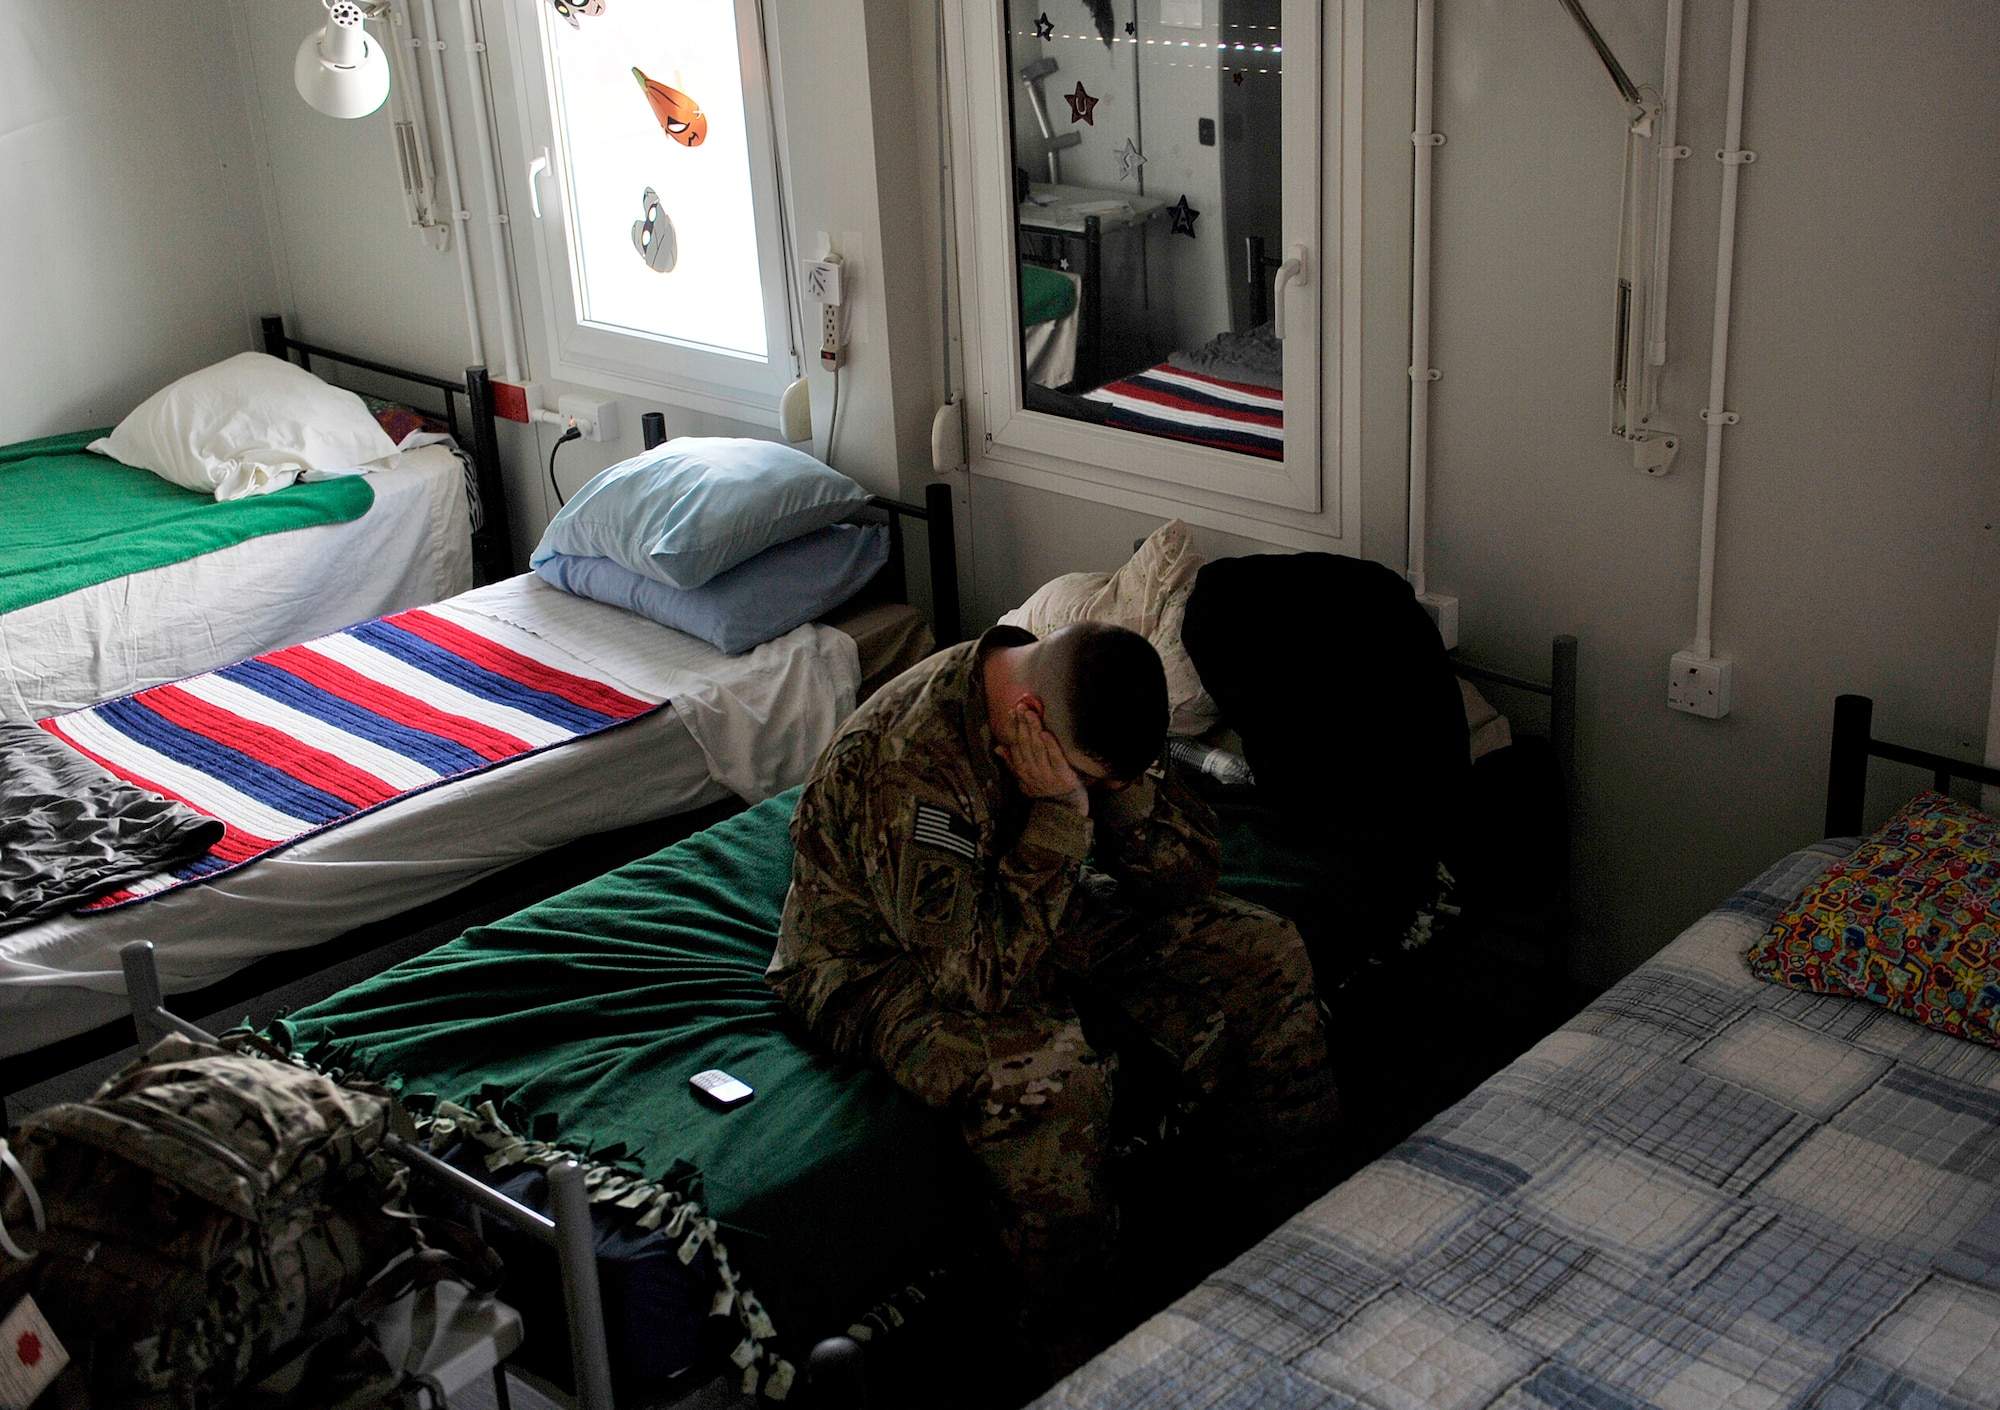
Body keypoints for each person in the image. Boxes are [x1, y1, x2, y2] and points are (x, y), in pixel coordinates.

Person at [767, 621, 1337, 1369]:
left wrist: (1119, 801)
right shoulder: (907, 764)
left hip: (1032, 901)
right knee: (1049, 1078)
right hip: (878, 960)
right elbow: (977, 980)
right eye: (1091, 778)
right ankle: (1073, 1350)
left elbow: (1189, 878)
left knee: (1261, 950)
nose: (1103, 792)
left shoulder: (1100, 696)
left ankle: (1295, 1225)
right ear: (1029, 718)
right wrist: (1063, 819)